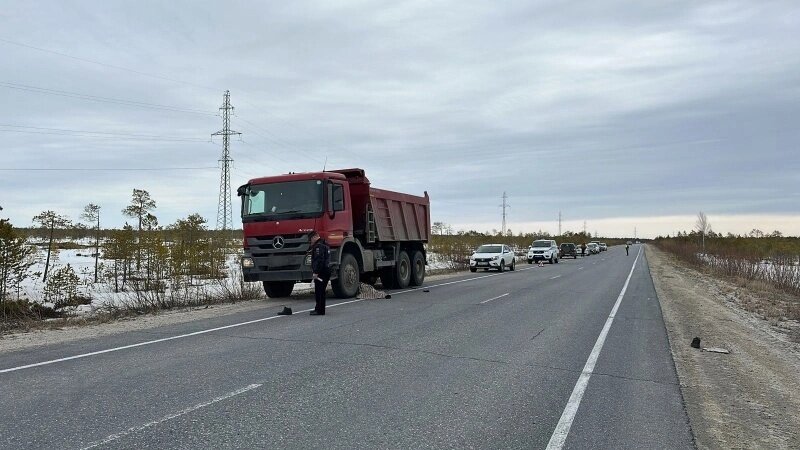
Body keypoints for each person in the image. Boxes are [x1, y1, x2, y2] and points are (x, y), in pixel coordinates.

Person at [309, 231, 331, 316]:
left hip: (321, 272)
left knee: (319, 291)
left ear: (314, 237)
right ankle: (318, 309)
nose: (311, 242)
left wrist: (316, 272)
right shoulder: (324, 243)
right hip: (326, 270)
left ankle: (320, 310)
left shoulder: (319, 246)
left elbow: (319, 260)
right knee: (321, 291)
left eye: (311, 239)